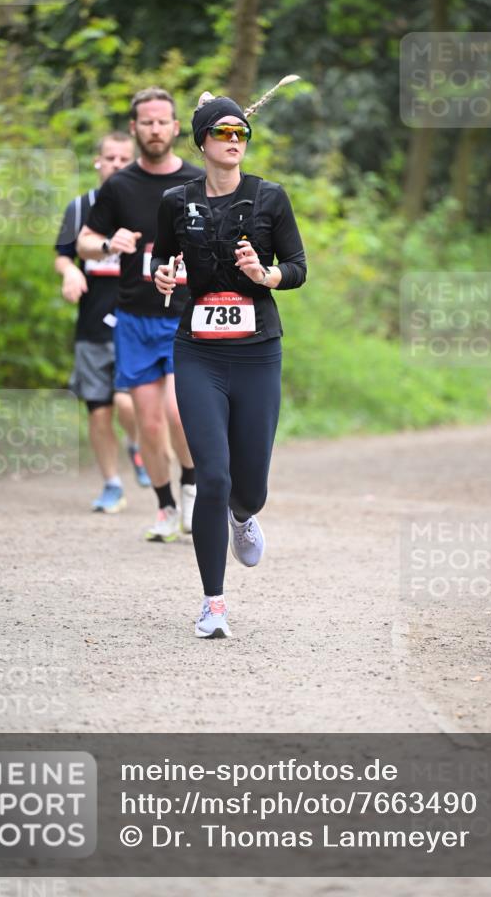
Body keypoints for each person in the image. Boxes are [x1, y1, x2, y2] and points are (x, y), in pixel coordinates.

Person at [152, 93, 307, 638]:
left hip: (258, 351)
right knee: (212, 476)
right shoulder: (177, 201)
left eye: (241, 134)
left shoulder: (270, 198)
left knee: (250, 487)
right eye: (223, 134)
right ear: (202, 141)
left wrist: (266, 276)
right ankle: (213, 604)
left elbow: (297, 267)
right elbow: (159, 257)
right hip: (199, 351)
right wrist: (163, 278)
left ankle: (246, 516)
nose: (234, 142)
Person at [77, 88, 202, 541]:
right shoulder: (120, 186)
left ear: (174, 127)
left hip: (185, 318)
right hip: (134, 318)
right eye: (145, 122)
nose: (154, 129)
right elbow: (85, 242)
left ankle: (192, 487)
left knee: (178, 413)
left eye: (162, 121)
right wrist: (111, 244)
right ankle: (166, 506)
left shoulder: (197, 182)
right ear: (135, 129)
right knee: (148, 423)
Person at [55, 131, 151, 514]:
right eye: (109, 158)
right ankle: (112, 484)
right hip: (93, 320)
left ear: (134, 162)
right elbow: (63, 255)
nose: (115, 164)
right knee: (98, 408)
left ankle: (137, 444)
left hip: (137, 317)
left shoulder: (148, 203)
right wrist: (69, 273)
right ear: (98, 162)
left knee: (127, 400)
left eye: (123, 159)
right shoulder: (80, 209)